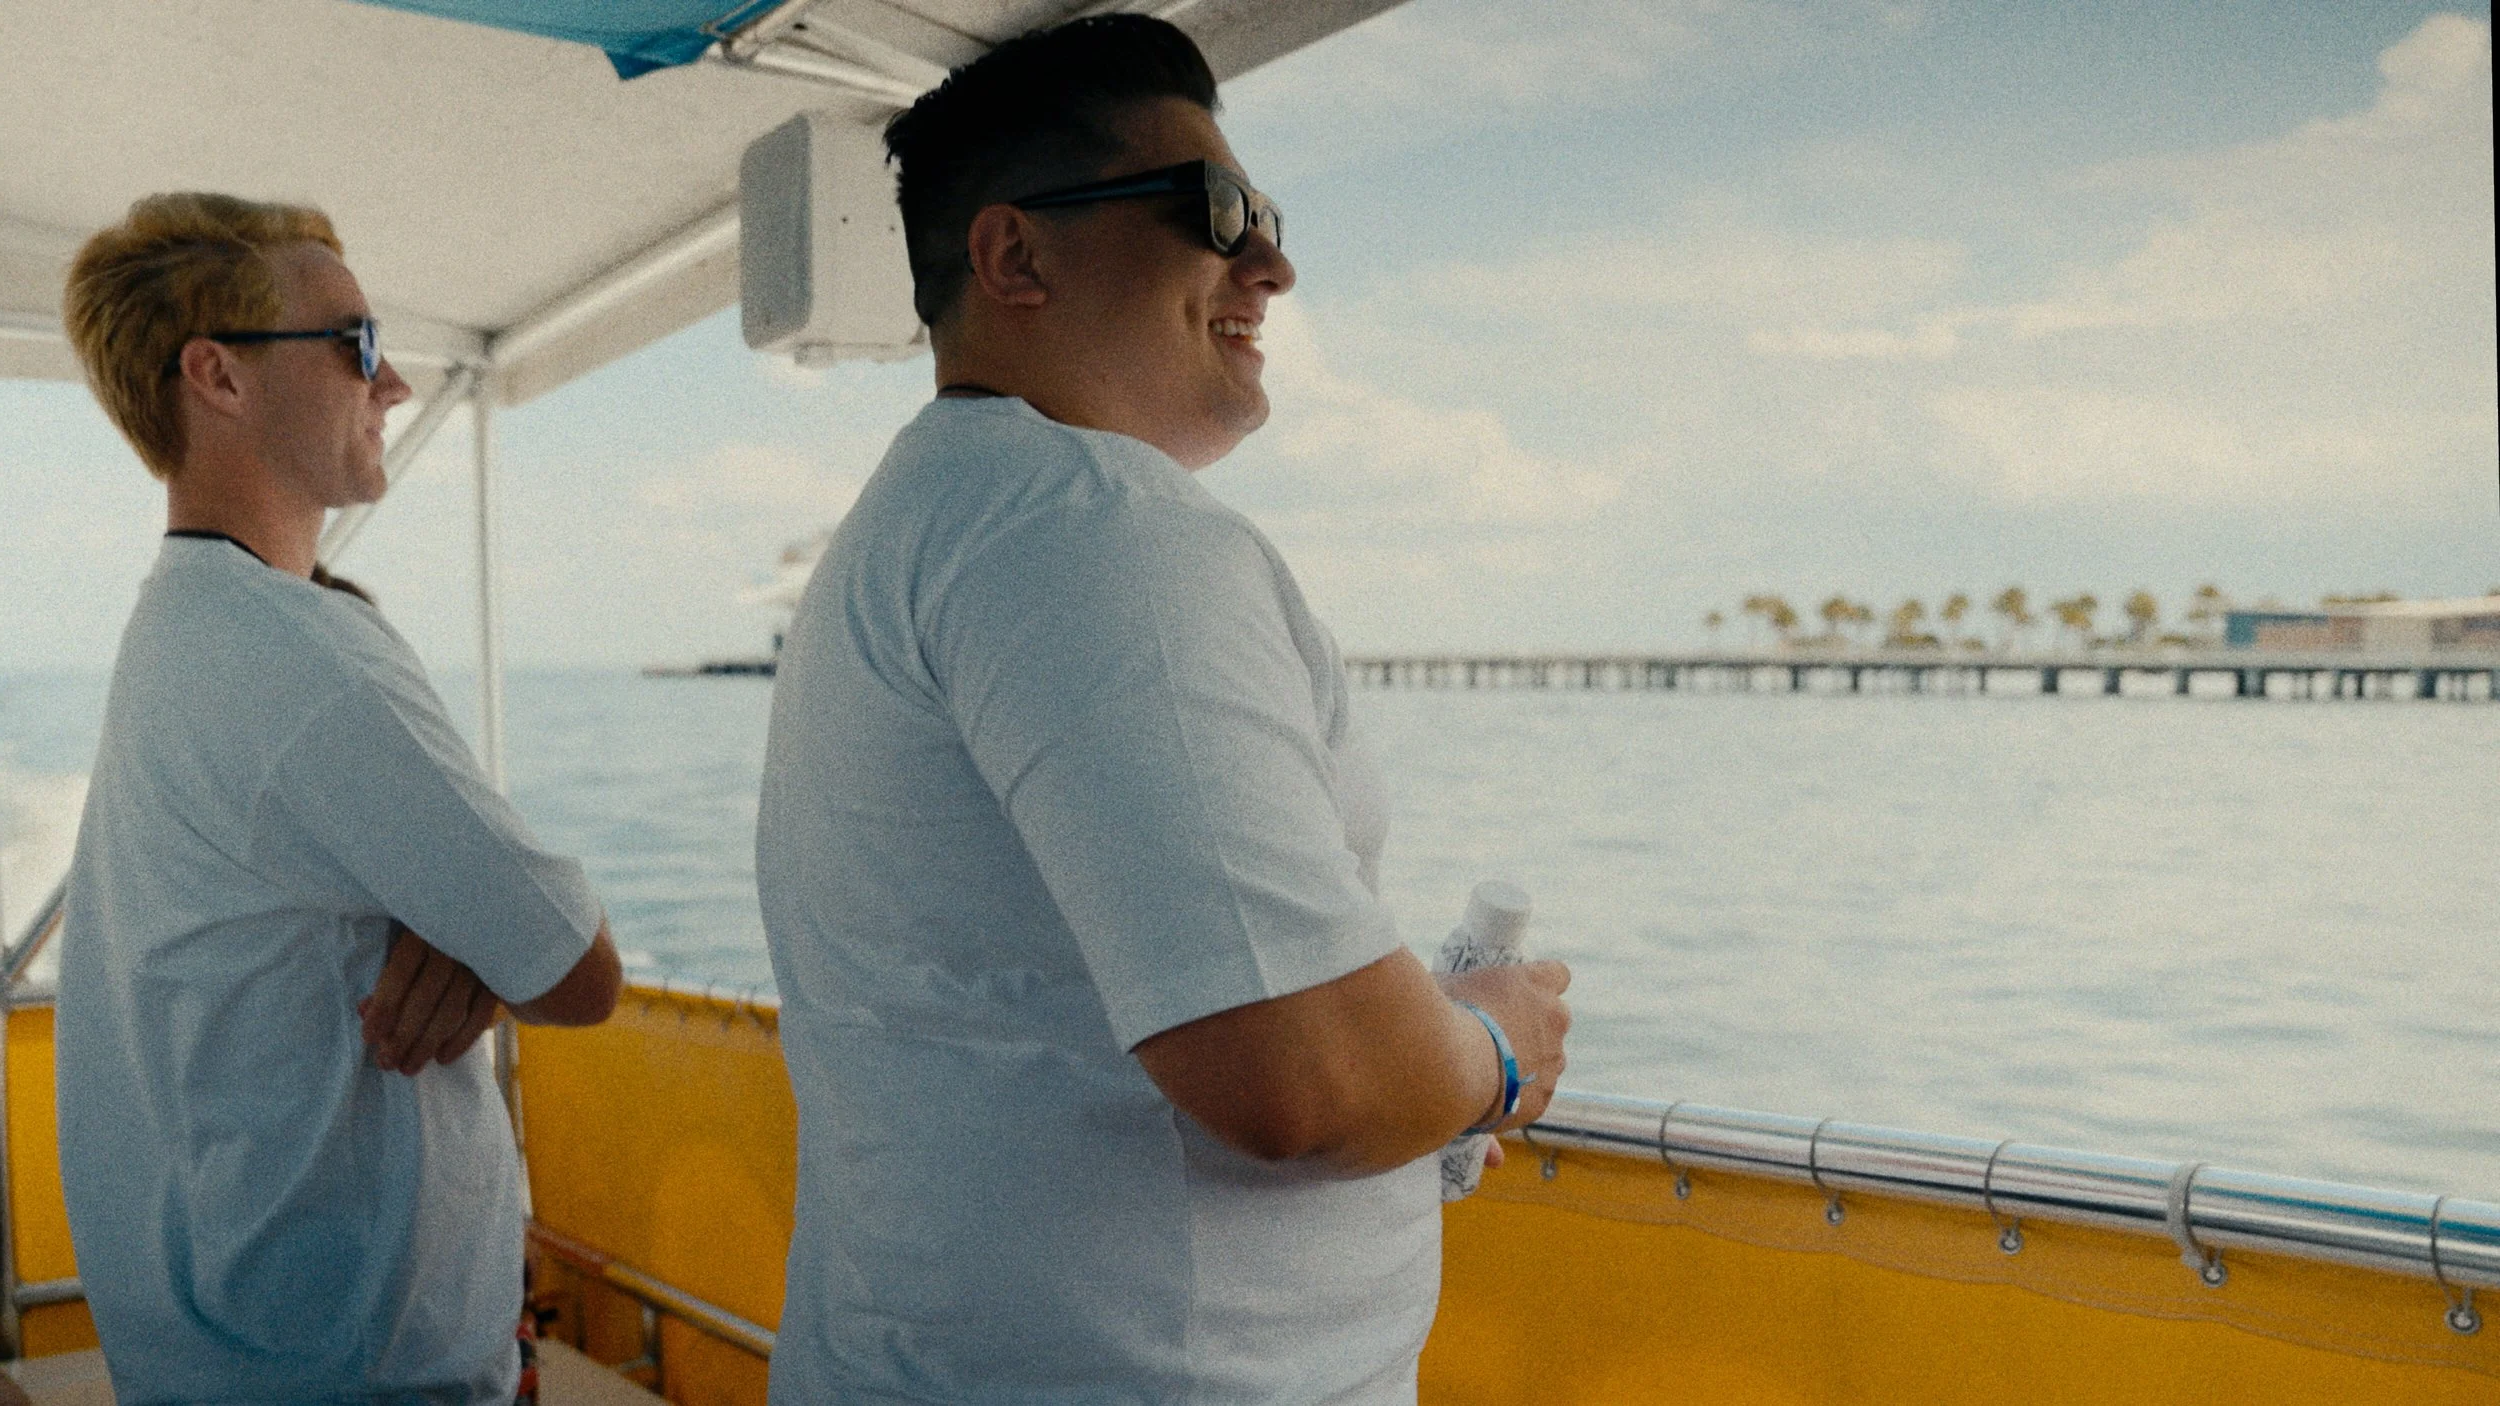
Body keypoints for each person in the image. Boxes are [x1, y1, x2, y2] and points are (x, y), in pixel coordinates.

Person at [756, 17, 1572, 1402]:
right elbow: (1297, 1079)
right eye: (1214, 211)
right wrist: (1489, 1047)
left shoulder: (934, 520)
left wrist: (1406, 1051)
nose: (1271, 262)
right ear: (1014, 256)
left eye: (1267, 214)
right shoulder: (1097, 532)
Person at [54, 193, 623, 1403]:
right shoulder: (301, 651)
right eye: (358, 343)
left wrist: (460, 929)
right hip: (358, 1371)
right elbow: (579, 972)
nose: (398, 383)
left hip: (218, 1354)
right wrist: (482, 937)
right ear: (218, 376)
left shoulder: (182, 625)